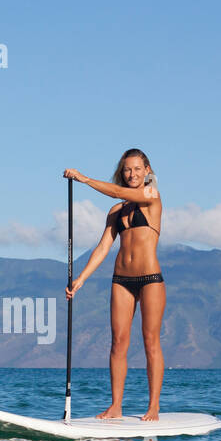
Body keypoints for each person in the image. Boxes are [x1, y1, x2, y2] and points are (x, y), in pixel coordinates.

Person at [63, 149, 165, 421]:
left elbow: (118, 192)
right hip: (121, 280)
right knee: (118, 343)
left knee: (150, 342)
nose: (132, 174)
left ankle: (153, 406)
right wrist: (81, 279)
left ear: (147, 170)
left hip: (150, 279)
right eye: (127, 170)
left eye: (137, 169)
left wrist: (84, 179)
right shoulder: (116, 211)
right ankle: (116, 405)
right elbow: (103, 247)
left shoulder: (151, 197)